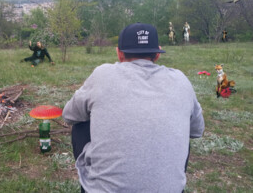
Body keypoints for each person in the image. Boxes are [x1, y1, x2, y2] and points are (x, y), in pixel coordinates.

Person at [62, 23, 205, 192]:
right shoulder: (181, 80)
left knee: (81, 122)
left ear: (119, 53)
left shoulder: (102, 74)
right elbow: (197, 130)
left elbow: (69, 116)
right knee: (184, 129)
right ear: (158, 54)